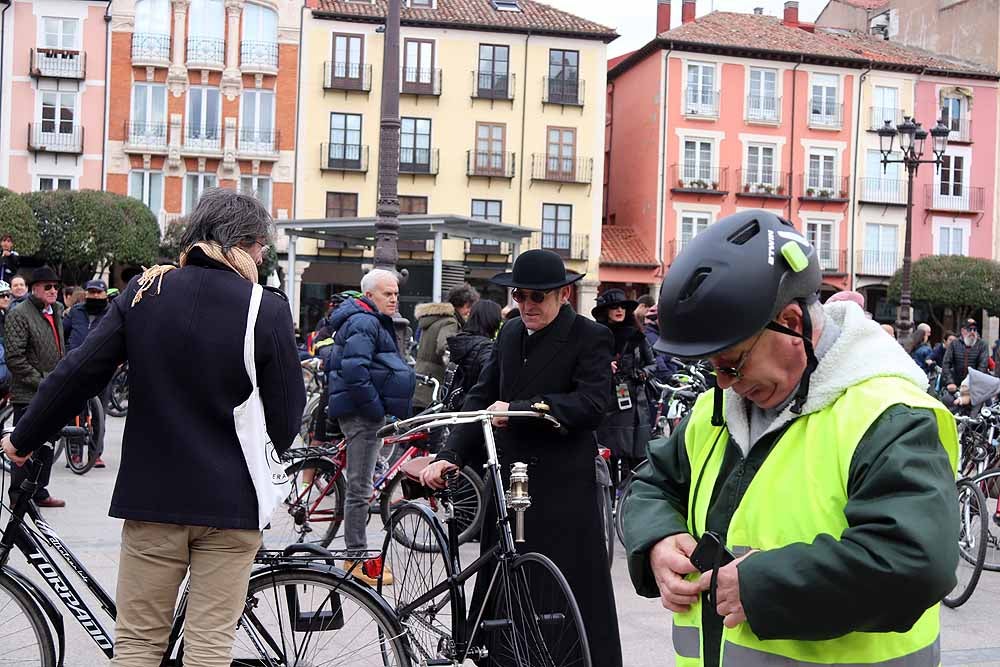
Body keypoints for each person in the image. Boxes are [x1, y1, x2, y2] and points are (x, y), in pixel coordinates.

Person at [623, 210, 958, 667]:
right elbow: (651, 484)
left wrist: (764, 586)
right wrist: (658, 540)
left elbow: (915, 559)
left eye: (732, 363)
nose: (723, 383)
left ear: (791, 323)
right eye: (713, 368)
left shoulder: (889, 415)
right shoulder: (716, 410)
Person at [2, 188, 305, 666]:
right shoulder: (264, 308)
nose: (263, 258)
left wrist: (22, 439)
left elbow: (79, 374)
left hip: (155, 500)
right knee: (209, 648)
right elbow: (288, 415)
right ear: (243, 243)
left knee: (140, 644)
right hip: (233, 503)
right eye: (262, 248)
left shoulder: (145, 292)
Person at [420, 249, 624, 667]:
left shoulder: (590, 336)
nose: (527, 305)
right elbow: (481, 395)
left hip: (563, 488)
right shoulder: (510, 333)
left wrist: (522, 409)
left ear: (563, 294)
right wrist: (451, 454)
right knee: (505, 589)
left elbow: (592, 403)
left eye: (538, 297)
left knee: (567, 595)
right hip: (510, 480)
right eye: (520, 295)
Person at [326, 268, 416, 585]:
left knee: (360, 486)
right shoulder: (365, 321)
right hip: (361, 415)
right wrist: (376, 410)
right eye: (387, 294)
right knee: (359, 489)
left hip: (358, 411)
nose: (393, 299)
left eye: (395, 293)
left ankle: (358, 554)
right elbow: (355, 370)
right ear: (369, 296)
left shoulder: (364, 319)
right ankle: (357, 559)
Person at [4, 266, 67, 508]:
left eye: (56, 286)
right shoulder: (19, 314)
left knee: (48, 444)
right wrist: (43, 382)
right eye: (47, 287)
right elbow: (15, 359)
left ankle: (40, 492)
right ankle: (19, 496)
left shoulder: (57, 310)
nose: (53, 291)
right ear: (34, 289)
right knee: (24, 445)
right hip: (28, 394)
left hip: (52, 391)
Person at [593, 288, 654, 484]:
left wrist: (643, 373)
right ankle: (607, 500)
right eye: (614, 307)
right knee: (608, 453)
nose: (619, 310)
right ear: (606, 311)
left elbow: (652, 363)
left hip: (635, 400)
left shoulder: (637, 336)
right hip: (608, 401)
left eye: (622, 307)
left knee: (635, 455)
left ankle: (630, 499)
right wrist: (602, 366)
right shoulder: (596, 336)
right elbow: (585, 365)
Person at [63, 279, 113, 469]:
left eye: (98, 293)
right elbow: (63, 332)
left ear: (105, 295)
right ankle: (75, 454)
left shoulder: (112, 313)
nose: (94, 295)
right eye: (91, 292)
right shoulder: (76, 312)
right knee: (76, 413)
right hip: (76, 369)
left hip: (103, 371)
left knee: (100, 416)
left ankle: (95, 454)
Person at [412, 283, 479, 408]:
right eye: (469, 307)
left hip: (421, 378)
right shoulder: (450, 321)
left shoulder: (435, 319)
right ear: (464, 304)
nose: (469, 312)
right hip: (433, 382)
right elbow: (444, 345)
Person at [442, 298, 503, 410]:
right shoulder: (486, 348)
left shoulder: (461, 341)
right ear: (492, 319)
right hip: (476, 409)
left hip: (459, 407)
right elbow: (492, 380)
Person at [943, 319, 989, 395]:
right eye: (969, 329)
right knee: (947, 400)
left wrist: (971, 383)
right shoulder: (954, 344)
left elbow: (983, 366)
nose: (972, 332)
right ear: (962, 331)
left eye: (975, 330)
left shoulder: (982, 345)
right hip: (955, 385)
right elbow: (946, 364)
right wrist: (950, 382)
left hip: (975, 386)